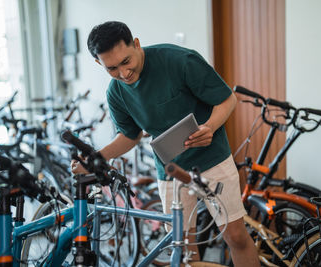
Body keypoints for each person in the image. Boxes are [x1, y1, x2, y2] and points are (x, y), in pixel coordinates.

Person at [72, 21, 259, 266]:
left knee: (235, 236)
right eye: (112, 68)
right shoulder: (115, 92)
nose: (123, 73)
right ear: (100, 64)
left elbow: (227, 100)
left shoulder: (180, 60)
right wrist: (96, 158)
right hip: (170, 171)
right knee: (182, 247)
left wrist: (210, 126)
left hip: (212, 160)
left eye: (126, 62)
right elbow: (130, 136)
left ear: (136, 44)